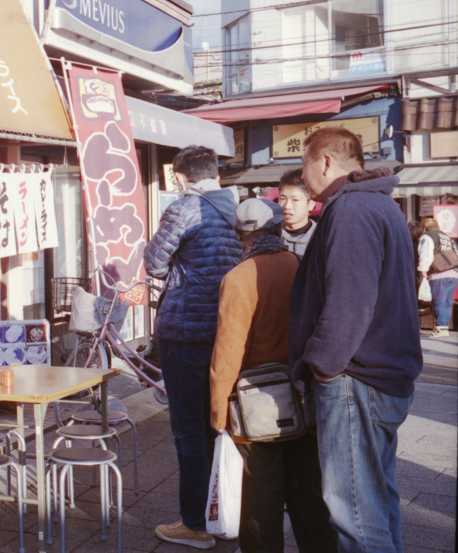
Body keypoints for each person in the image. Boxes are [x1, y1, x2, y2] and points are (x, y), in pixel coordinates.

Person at [289, 127, 422, 553]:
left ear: (324, 161)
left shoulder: (350, 210)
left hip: (355, 379)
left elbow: (349, 305)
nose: (304, 177)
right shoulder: (381, 204)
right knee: (377, 504)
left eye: (305, 165)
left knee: (355, 516)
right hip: (379, 377)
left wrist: (321, 367)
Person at [210, 198, 336, 553]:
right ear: (277, 228)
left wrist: (218, 412)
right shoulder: (297, 264)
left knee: (261, 502)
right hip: (302, 396)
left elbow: (228, 351)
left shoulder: (238, 277)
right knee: (309, 496)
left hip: (256, 409)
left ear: (240, 234)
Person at [146, 145, 243, 549]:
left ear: (181, 177)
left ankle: (195, 524)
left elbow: (153, 263)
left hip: (184, 332)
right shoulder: (238, 210)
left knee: (187, 429)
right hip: (226, 331)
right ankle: (222, 516)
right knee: (216, 425)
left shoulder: (185, 208)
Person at [417, 217, 458, 337]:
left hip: (439, 273)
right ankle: (444, 327)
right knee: (447, 302)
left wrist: (423, 269)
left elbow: (426, 253)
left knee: (439, 301)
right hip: (454, 273)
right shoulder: (447, 237)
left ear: (424, 228)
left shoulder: (428, 236)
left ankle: (440, 329)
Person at [277, 168, 317, 259]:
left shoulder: (322, 236)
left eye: (295, 200)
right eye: (282, 199)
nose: (287, 206)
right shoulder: (268, 237)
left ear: (311, 204)